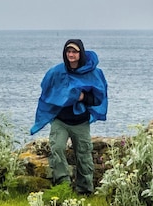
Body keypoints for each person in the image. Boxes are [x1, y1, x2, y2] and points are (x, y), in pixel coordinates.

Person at [30, 39, 108, 195]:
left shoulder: (93, 73)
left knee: (84, 155)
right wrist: (60, 97)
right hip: (60, 121)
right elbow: (46, 90)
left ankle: (84, 190)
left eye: (74, 51)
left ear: (81, 53)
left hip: (81, 122)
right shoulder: (57, 72)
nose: (71, 54)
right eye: (68, 51)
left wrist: (82, 97)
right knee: (57, 148)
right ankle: (63, 185)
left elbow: (98, 98)